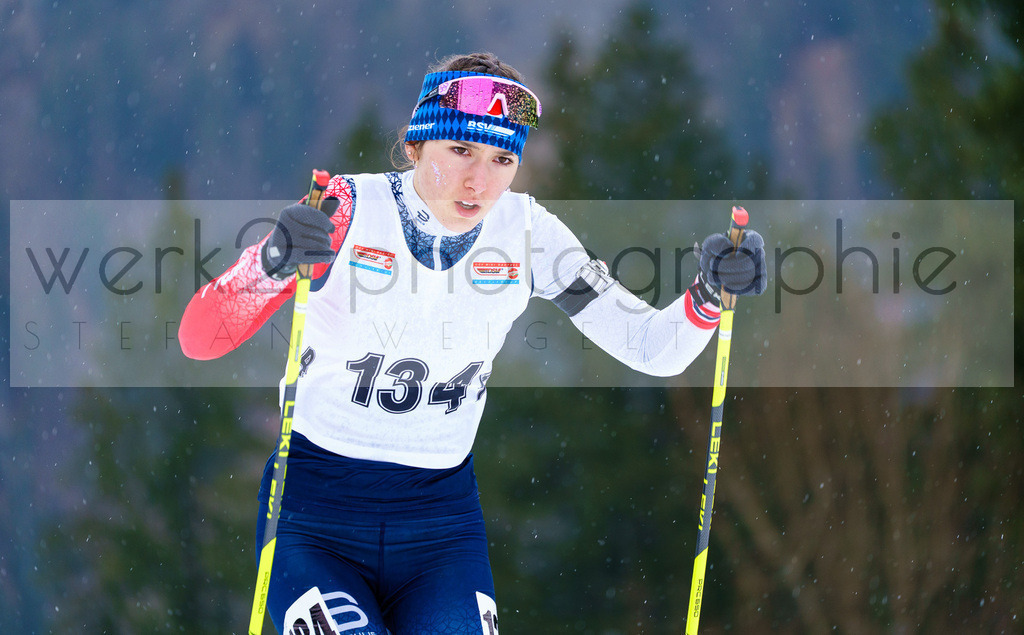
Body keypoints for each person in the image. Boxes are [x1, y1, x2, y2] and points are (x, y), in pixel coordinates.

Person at [179, 52, 766, 634]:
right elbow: (200, 338)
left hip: (440, 528)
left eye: (501, 158)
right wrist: (273, 263)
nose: (478, 181)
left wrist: (710, 295)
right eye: (460, 151)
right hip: (314, 511)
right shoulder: (350, 211)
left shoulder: (529, 235)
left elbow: (649, 347)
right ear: (416, 145)